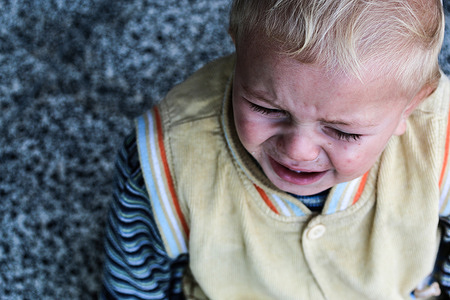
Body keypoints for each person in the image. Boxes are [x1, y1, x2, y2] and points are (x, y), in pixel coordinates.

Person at [101, 0, 450, 299]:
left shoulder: (440, 139)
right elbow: (134, 277)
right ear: (238, 43)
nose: (298, 151)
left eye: (342, 132)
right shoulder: (167, 157)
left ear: (412, 105)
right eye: (267, 109)